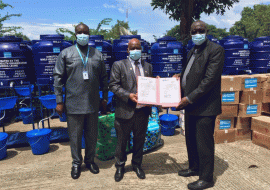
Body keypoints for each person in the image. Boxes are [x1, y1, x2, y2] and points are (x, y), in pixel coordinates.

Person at [173, 20, 225, 190]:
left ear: (206, 31)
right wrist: (178, 78)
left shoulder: (215, 50)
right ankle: (194, 167)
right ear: (190, 33)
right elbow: (190, 73)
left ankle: (206, 178)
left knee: (204, 142)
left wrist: (189, 98)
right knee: (191, 140)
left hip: (205, 106)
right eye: (194, 31)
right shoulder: (192, 51)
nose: (197, 33)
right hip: (191, 105)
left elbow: (209, 80)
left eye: (200, 30)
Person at [53, 23, 108, 179]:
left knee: (92, 136)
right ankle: (76, 163)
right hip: (73, 103)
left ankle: (90, 161)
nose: (83, 35)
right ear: (75, 35)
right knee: (75, 137)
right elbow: (58, 78)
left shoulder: (97, 54)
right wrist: (59, 101)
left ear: (89, 34)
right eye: (79, 32)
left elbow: (104, 78)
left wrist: (104, 97)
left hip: (92, 103)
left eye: (85, 32)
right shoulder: (66, 54)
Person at [109, 38, 153, 182]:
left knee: (139, 140)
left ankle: (137, 164)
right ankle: (120, 166)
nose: (135, 50)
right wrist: (128, 95)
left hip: (142, 112)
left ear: (141, 49)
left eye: (138, 48)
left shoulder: (148, 66)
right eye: (132, 48)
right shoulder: (119, 65)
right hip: (125, 111)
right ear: (128, 50)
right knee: (122, 142)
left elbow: (151, 86)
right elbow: (113, 86)